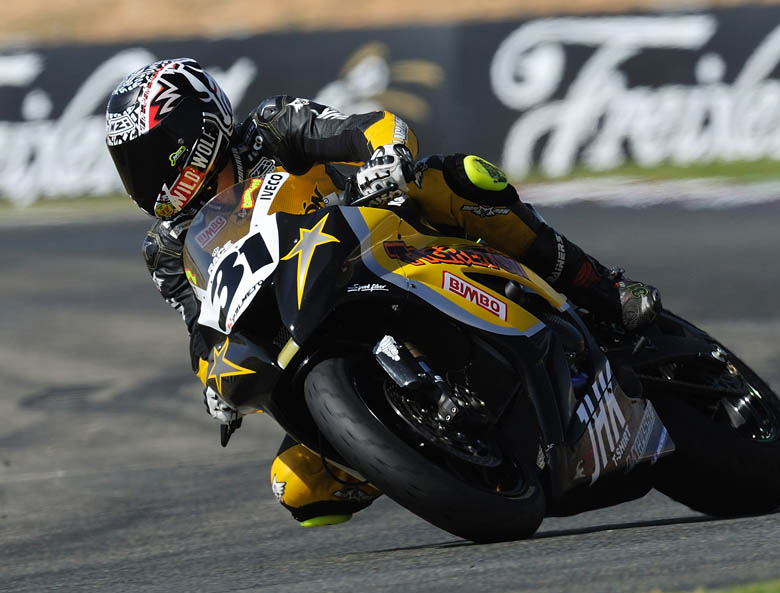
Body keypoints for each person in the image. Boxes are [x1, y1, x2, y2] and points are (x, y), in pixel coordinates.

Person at [105, 58, 661, 528]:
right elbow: (201, 330)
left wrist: (385, 156)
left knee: (461, 178)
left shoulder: (271, 128)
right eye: (132, 165)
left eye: (155, 156)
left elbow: (368, 127)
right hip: (299, 326)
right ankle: (416, 446)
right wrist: (213, 384)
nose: (146, 178)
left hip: (383, 241)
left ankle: (602, 287)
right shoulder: (166, 249)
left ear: (198, 130)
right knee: (298, 488)